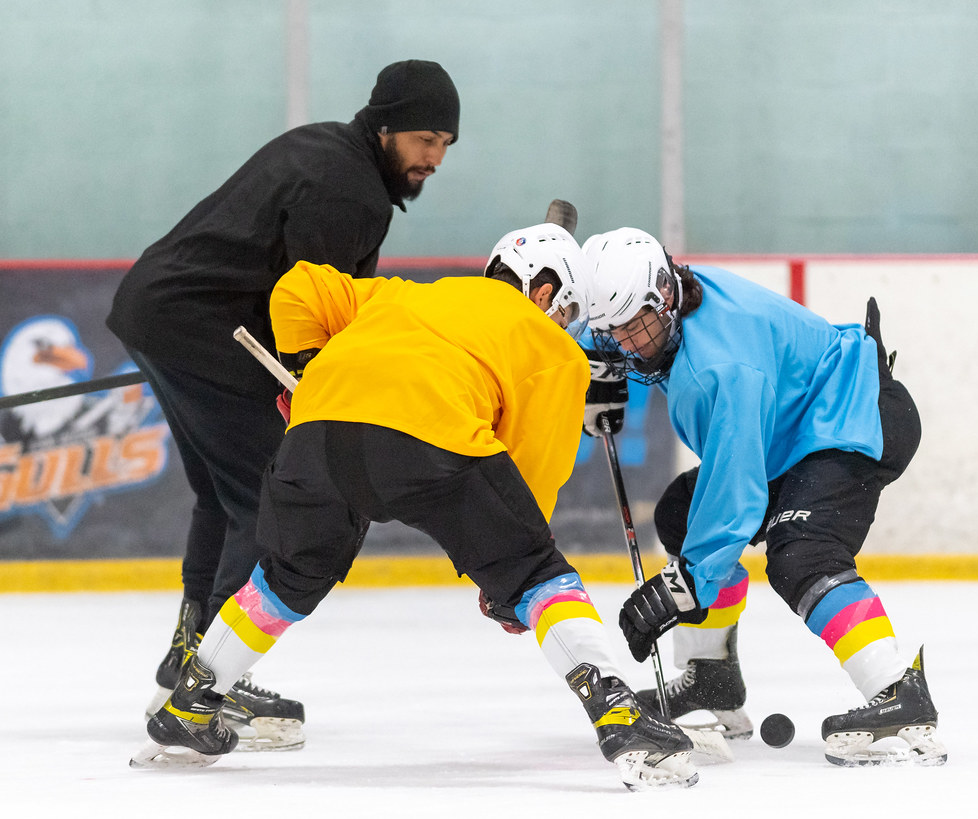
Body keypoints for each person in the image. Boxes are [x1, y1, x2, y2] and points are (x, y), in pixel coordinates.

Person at [129, 223, 702, 790]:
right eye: (568, 309)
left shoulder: (403, 294)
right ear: (546, 292)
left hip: (315, 434)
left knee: (287, 576)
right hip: (427, 441)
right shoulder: (553, 345)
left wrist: (308, 368)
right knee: (536, 573)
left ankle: (188, 707)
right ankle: (621, 716)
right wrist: (506, 579)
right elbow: (534, 476)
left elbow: (298, 287)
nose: (565, 323)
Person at [106, 59, 461, 750]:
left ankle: (191, 654)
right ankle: (206, 678)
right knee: (265, 495)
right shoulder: (349, 192)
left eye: (446, 144)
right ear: (386, 127)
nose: (434, 158)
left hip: (161, 314)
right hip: (203, 331)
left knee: (223, 493)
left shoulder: (333, 152)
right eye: (424, 139)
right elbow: (310, 314)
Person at [580, 227, 948, 767]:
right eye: (615, 332)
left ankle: (897, 690)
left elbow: (735, 500)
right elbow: (598, 330)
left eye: (636, 327)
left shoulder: (722, 370)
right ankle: (712, 680)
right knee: (682, 515)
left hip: (852, 414)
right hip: (796, 433)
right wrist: (595, 365)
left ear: (664, 295)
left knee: (801, 549)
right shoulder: (667, 304)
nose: (630, 344)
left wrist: (684, 589)